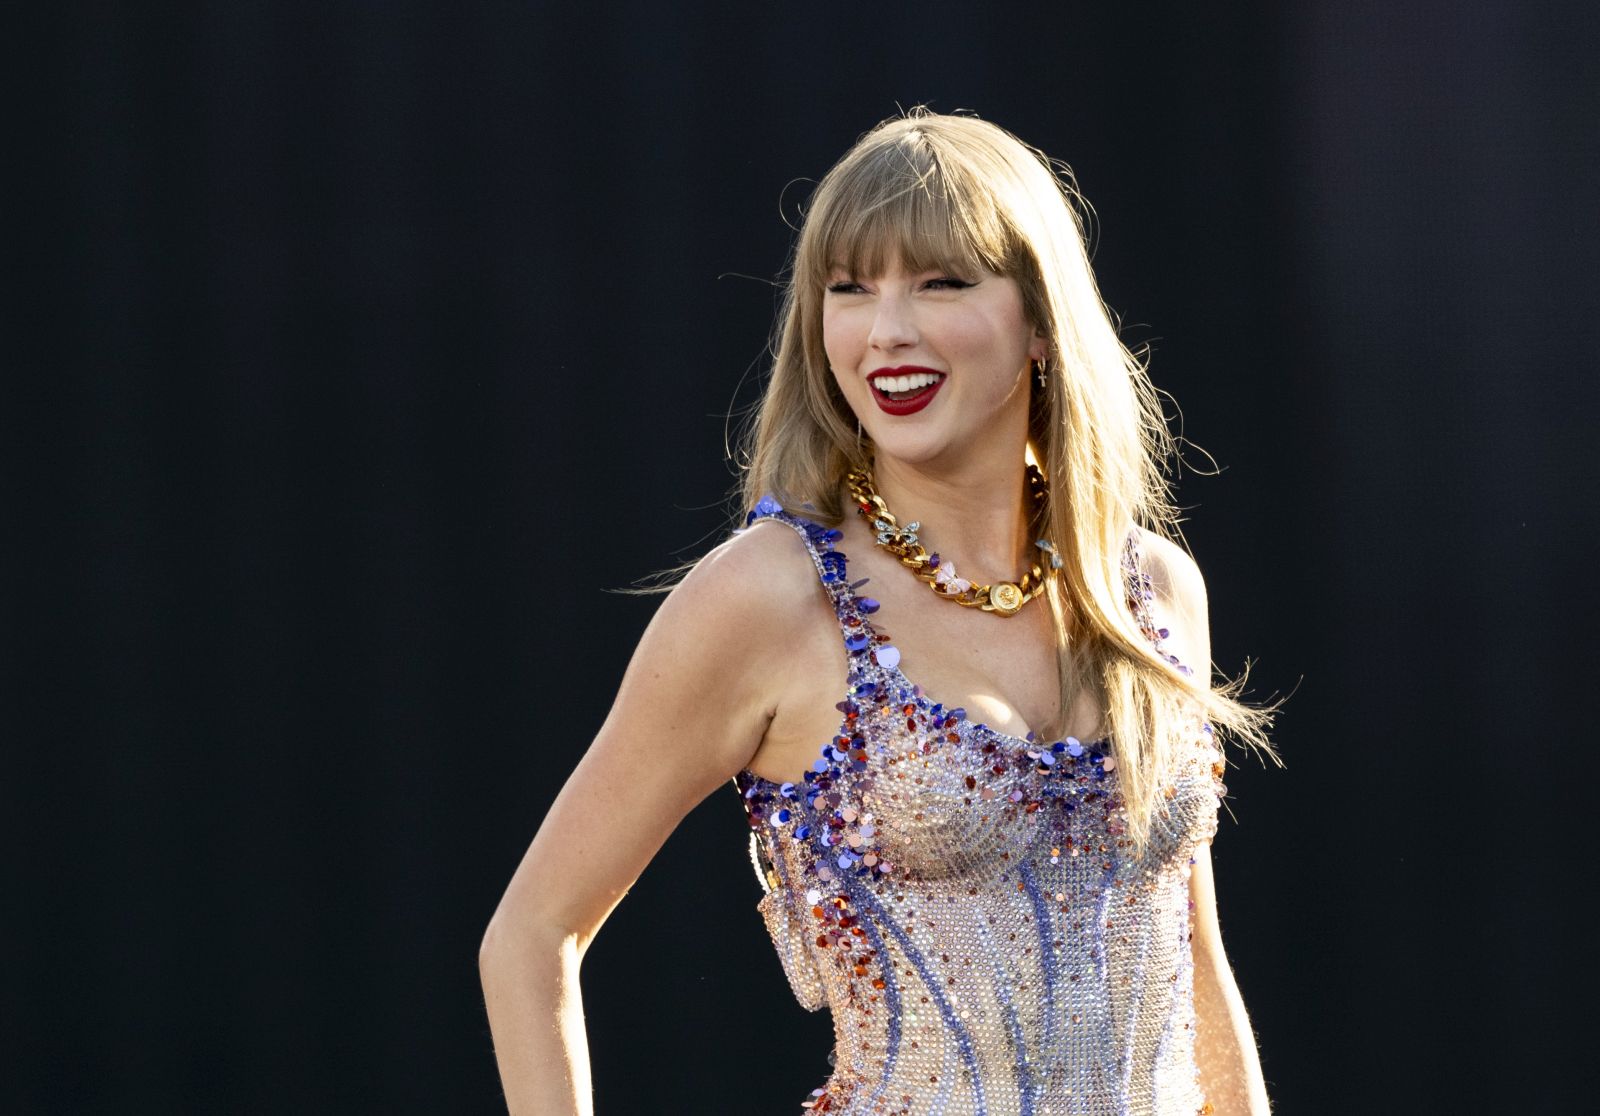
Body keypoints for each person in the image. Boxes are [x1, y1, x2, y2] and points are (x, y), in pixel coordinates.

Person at [479, 109, 1276, 1115]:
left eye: (941, 281)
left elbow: (1193, 959)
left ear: (1039, 320)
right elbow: (531, 934)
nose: (886, 330)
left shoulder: (1151, 591)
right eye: (849, 289)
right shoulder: (768, 598)